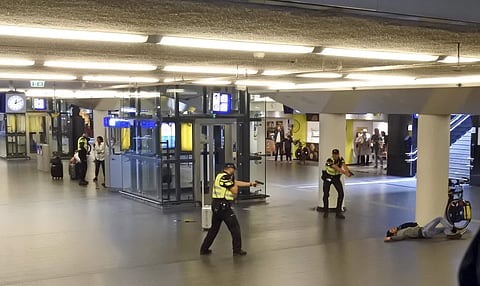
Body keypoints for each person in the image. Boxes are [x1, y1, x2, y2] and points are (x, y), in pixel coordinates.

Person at [200, 163, 257, 256]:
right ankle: (237, 250)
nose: (234, 172)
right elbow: (234, 190)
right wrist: (234, 184)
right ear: (230, 169)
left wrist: (251, 184)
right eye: (234, 170)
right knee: (235, 228)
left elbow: (236, 182)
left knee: (214, 229)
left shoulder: (220, 176)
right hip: (224, 207)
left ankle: (204, 249)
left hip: (216, 206)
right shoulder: (225, 178)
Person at [322, 149, 352, 219]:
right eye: (334, 154)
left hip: (336, 178)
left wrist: (348, 171)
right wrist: (345, 173)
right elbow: (337, 168)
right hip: (328, 177)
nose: (335, 156)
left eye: (336, 154)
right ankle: (325, 211)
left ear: (338, 154)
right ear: (332, 154)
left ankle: (338, 211)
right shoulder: (329, 160)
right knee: (326, 194)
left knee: (341, 194)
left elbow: (344, 166)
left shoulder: (341, 159)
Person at [384, 217, 462, 242]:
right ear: (393, 233)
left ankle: (450, 234)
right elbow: (400, 238)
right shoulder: (399, 234)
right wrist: (390, 238)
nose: (393, 228)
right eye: (391, 230)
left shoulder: (400, 229)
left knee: (444, 228)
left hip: (424, 231)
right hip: (424, 232)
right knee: (439, 218)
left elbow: (406, 224)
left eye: (392, 228)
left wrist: (414, 224)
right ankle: (452, 228)